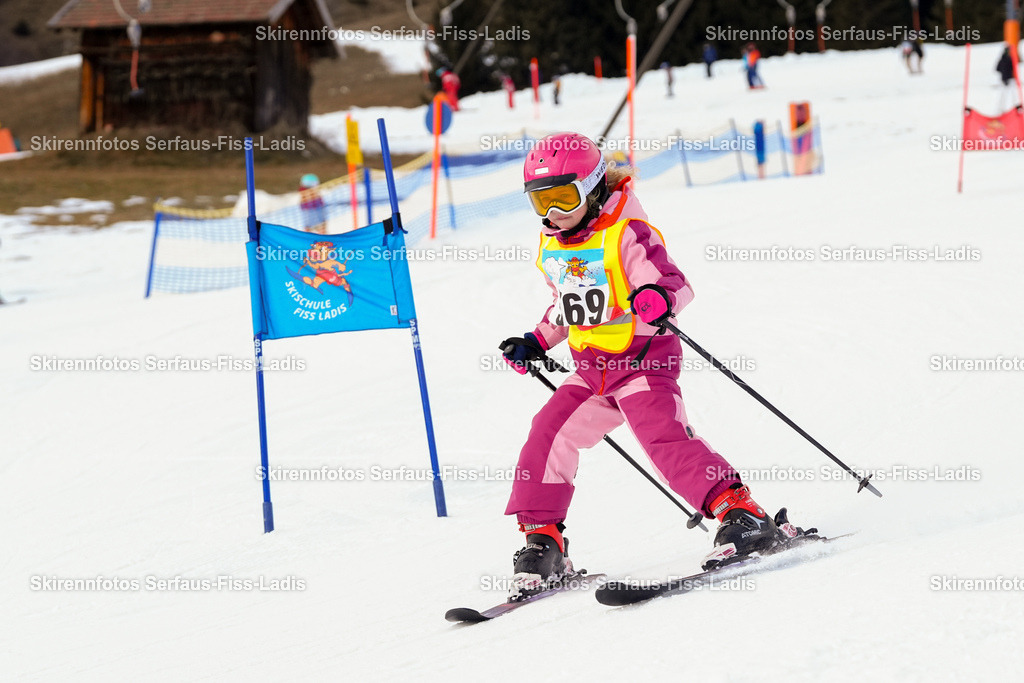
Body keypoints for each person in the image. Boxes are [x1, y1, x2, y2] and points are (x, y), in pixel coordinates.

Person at [500, 132, 790, 597]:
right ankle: (544, 541)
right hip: (592, 370)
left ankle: (742, 514)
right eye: (541, 201)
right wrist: (536, 340)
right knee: (548, 434)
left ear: (593, 188)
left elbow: (675, 284)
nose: (553, 213)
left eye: (563, 198)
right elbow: (565, 306)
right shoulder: (554, 246)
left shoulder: (625, 234)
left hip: (640, 363)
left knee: (663, 440)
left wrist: (657, 298)